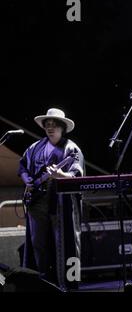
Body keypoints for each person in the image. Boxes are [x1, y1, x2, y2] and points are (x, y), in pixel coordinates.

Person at [18, 108, 84, 288]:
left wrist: (61, 175)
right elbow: (22, 167)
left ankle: (69, 285)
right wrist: (27, 181)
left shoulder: (71, 148)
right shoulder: (34, 147)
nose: (50, 127)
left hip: (61, 203)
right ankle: (40, 283)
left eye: (54, 124)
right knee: (37, 244)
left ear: (62, 127)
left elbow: (77, 176)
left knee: (66, 243)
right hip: (37, 203)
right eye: (47, 124)